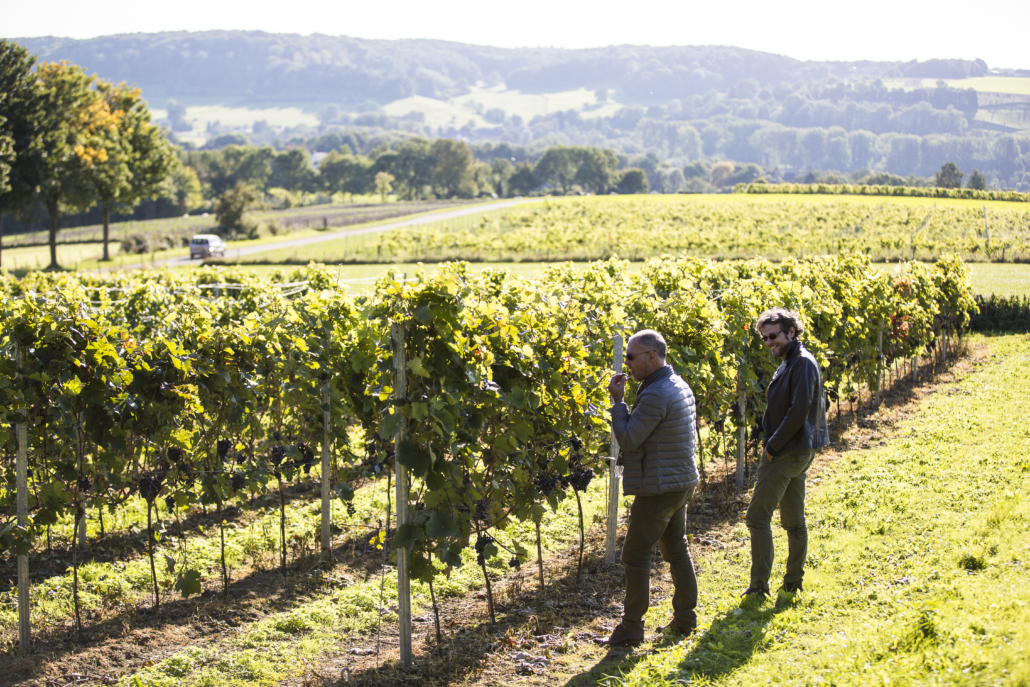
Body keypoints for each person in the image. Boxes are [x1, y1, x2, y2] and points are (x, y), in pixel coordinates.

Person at [600, 329, 699, 647]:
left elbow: (628, 438)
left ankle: (631, 628)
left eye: (631, 356)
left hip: (659, 487)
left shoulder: (656, 393)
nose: (626, 363)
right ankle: (685, 619)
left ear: (651, 357)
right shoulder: (676, 383)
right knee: (675, 548)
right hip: (679, 481)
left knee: (635, 555)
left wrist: (619, 404)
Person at [743, 308, 829, 603]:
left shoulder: (801, 362)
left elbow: (798, 410)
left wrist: (771, 448)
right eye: (765, 338)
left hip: (787, 451)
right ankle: (793, 582)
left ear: (791, 331)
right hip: (797, 449)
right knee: (793, 520)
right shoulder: (791, 360)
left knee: (757, 518)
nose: (769, 342)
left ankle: (758, 587)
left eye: (774, 335)